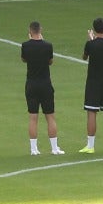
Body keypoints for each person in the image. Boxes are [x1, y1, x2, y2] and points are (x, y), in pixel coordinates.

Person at [22, 21, 62, 156]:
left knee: (33, 117)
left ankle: (34, 149)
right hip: (45, 84)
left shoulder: (25, 46)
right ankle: (54, 148)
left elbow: (24, 59)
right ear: (41, 30)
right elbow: (50, 61)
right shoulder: (48, 46)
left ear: (30, 31)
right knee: (50, 116)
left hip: (31, 84)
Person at [80, 18, 103, 154]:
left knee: (91, 113)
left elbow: (85, 57)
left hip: (93, 83)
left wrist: (91, 40)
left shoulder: (90, 45)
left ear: (94, 30)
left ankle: (90, 146)